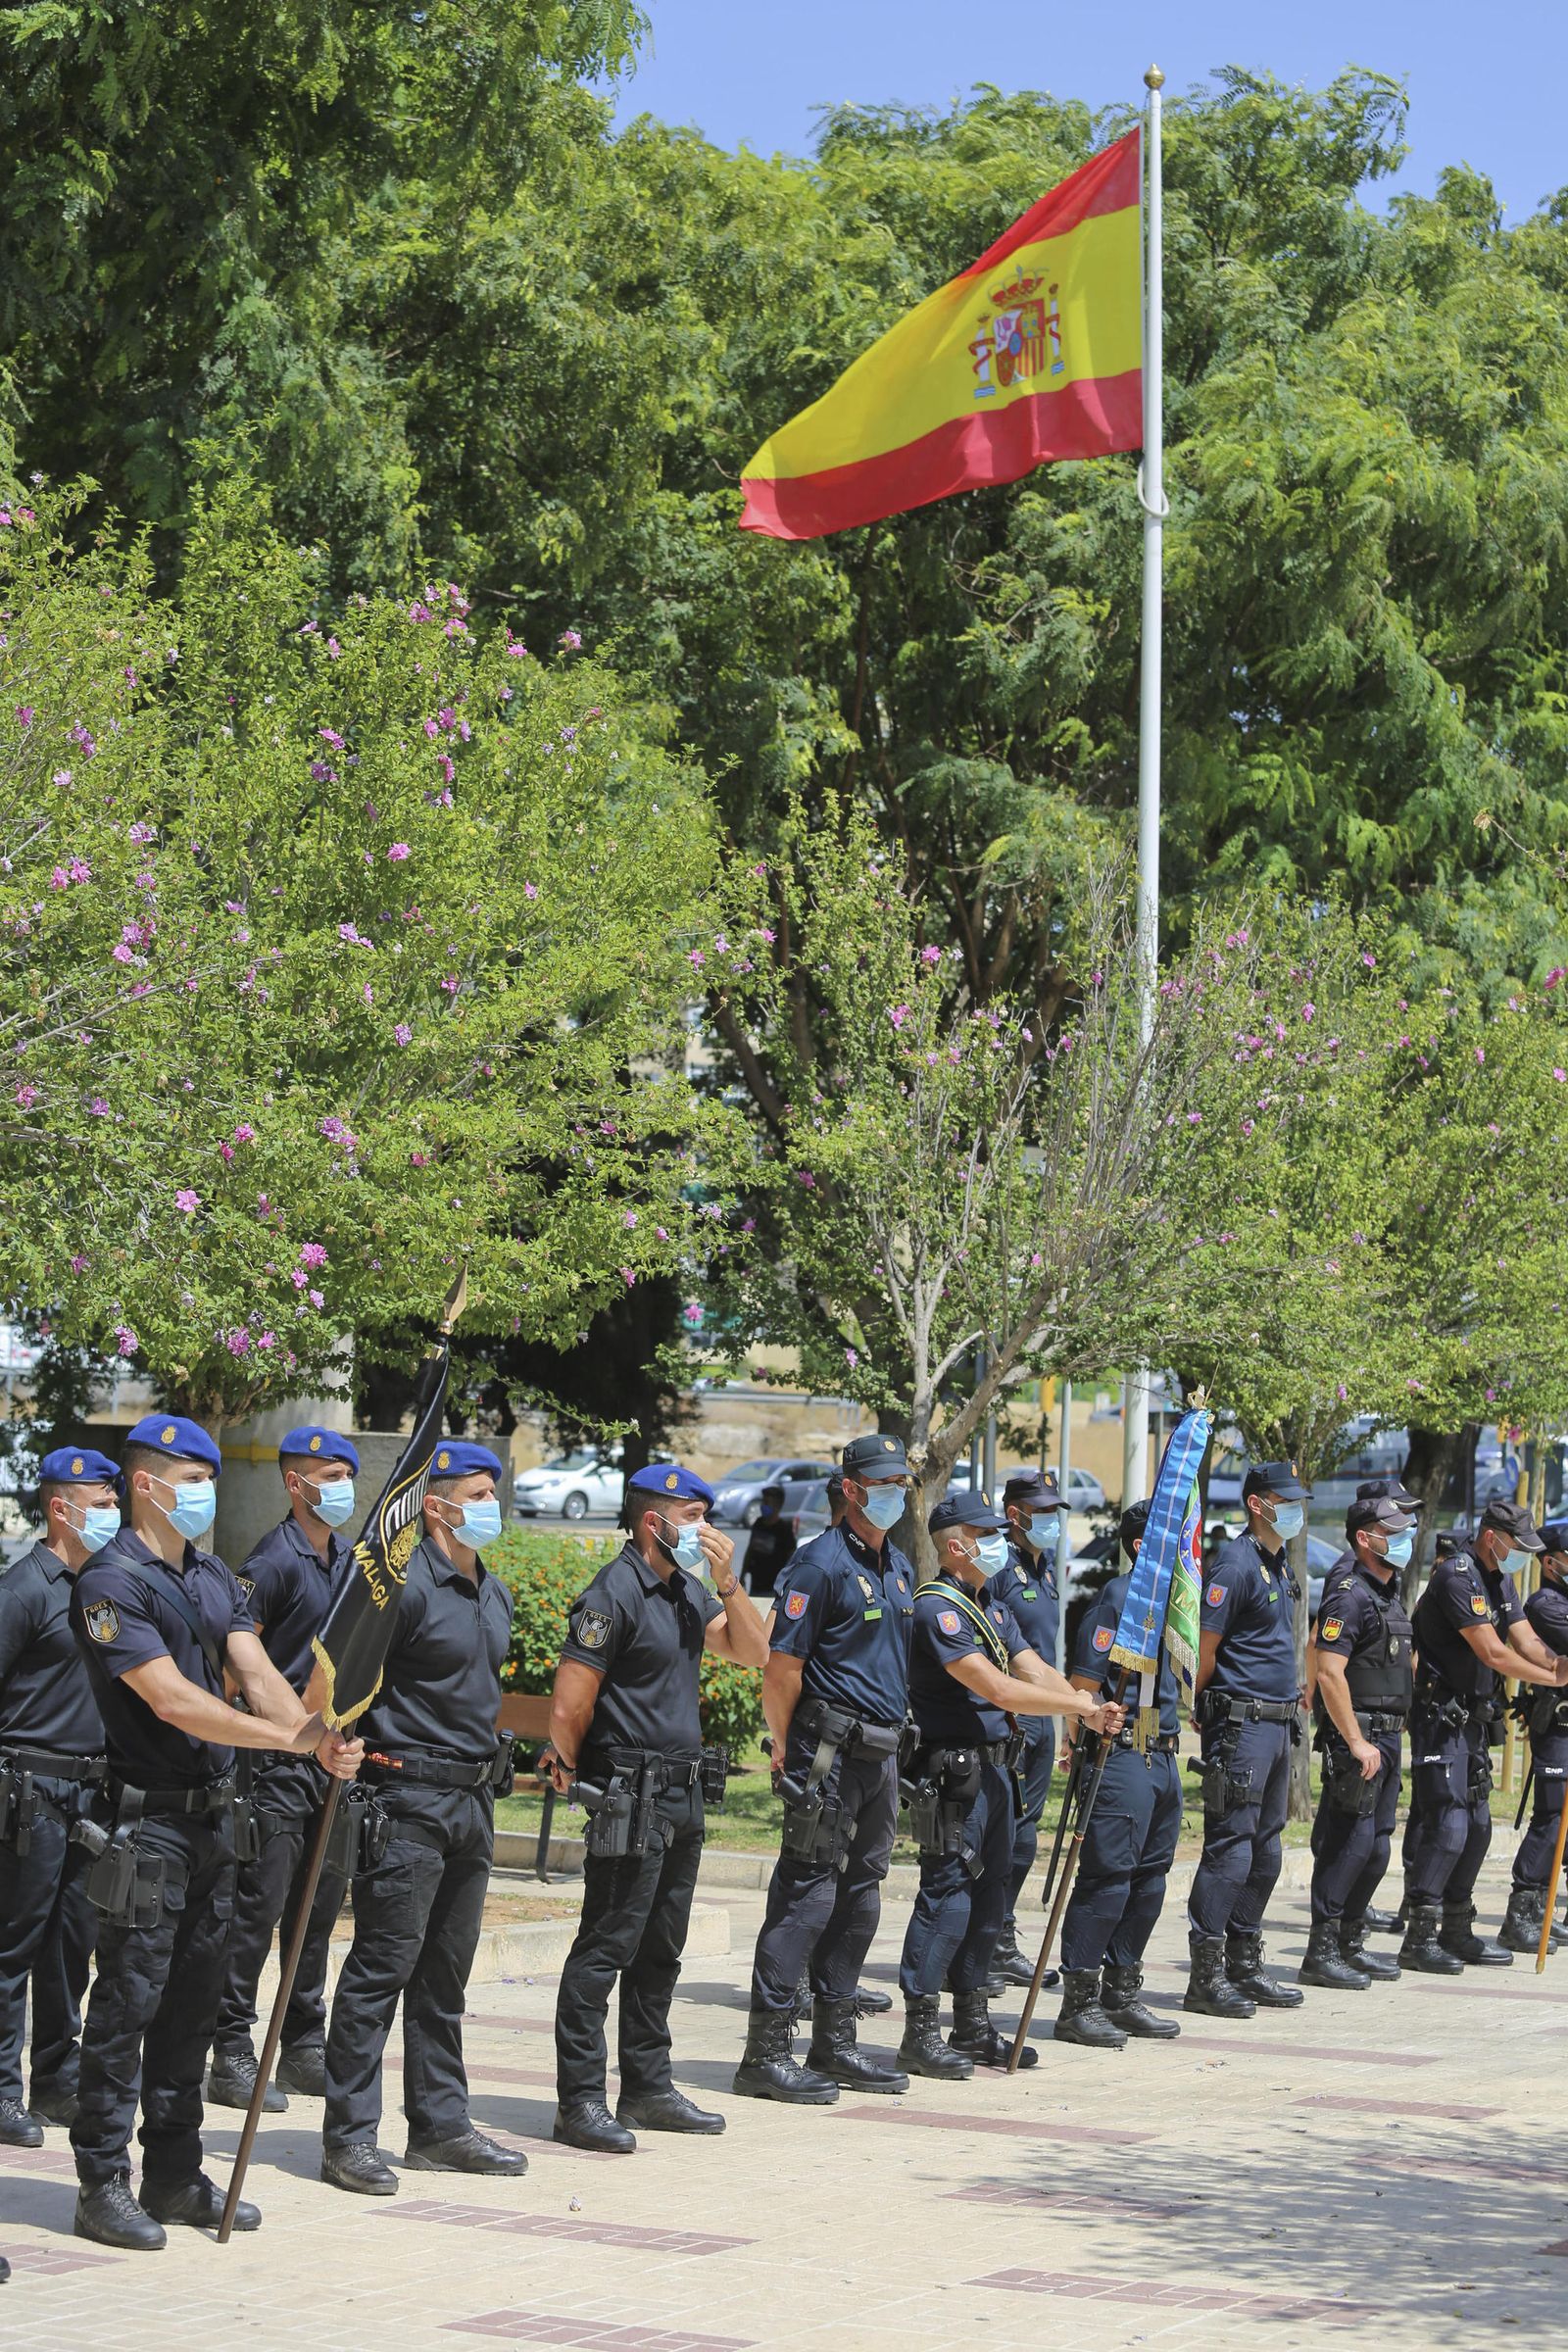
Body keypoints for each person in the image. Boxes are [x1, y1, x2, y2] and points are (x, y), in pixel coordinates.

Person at [69, 1413, 360, 2251]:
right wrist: (289, 1739)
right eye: (190, 1479)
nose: (204, 1492)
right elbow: (173, 1699)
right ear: (146, 1485)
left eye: (211, 1478)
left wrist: (318, 1733)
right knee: (127, 2005)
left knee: (192, 2012)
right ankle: (100, 2182)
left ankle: (171, 2174)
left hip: (213, 1824)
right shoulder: (110, 1582)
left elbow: (254, 1672)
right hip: (146, 1827)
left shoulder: (212, 1575)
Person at [548, 1461, 767, 2151]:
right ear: (654, 1522)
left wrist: (728, 1582)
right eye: (693, 1516)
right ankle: (580, 2102)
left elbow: (755, 1652)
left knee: (661, 1948)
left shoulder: (686, 1589)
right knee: (606, 1945)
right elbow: (569, 1704)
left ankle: (647, 2087)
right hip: (629, 1793)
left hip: (682, 1790)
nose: (705, 1529)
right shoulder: (612, 1592)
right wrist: (584, 1772)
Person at [321, 1441, 522, 2194]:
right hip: (404, 1798)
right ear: (432, 1505)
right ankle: (348, 2139)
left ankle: (440, 2127)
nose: (488, 1507)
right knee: (381, 1968)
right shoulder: (399, 1588)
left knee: (445, 1975)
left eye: (491, 1494)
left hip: (472, 1800)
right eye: (474, 1495)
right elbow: (341, 1685)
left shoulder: (492, 1591)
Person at [896, 1493, 1122, 2078]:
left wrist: (1086, 1704)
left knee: (990, 1901)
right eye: (986, 1533)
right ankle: (920, 2030)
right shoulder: (937, 1610)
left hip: (997, 1772)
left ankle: (972, 2025)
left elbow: (1030, 1666)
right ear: (955, 1545)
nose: (998, 1543)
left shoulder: (987, 1606)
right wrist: (1075, 1705)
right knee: (947, 1898)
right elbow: (999, 1689)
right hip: (953, 1776)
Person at [734, 1432, 917, 2106]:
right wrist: (784, 1747)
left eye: (902, 1481)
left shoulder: (896, 1564)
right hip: (827, 1754)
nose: (895, 1492)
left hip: (881, 1754)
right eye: (883, 1482)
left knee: (862, 1892)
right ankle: (764, 2053)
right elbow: (781, 1672)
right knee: (807, 1894)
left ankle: (833, 2042)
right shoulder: (820, 1566)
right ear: (850, 1488)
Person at [209, 1425, 360, 2114]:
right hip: (274, 1766)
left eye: (344, 1476)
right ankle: (232, 2048)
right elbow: (235, 1663)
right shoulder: (272, 1561)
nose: (339, 1489)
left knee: (316, 1912)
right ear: (294, 1485)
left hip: (332, 1760)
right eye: (326, 1477)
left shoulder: (350, 1561)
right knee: (257, 1909)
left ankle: (300, 2040)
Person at [0, 1447, 116, 2146]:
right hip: (29, 1793)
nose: (112, 1515)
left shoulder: (104, 1589)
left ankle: (55, 2080)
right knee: (13, 1944)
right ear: (61, 1509)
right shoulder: (23, 1590)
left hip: (91, 1794)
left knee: (73, 1944)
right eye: (99, 1505)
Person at [1400, 1499, 1568, 1974]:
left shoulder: (1501, 1577)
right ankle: (1419, 1936)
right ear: (1492, 1537)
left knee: (1477, 1827)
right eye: (1518, 1546)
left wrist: (1556, 1663)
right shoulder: (1458, 1575)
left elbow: (1524, 1639)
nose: (1522, 1556)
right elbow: (1493, 1652)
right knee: (1449, 1826)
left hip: (1473, 1718)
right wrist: (1553, 1680)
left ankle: (1457, 1928)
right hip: (1441, 1716)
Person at [1054, 1498, 1183, 2046]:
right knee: (1108, 1877)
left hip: (1162, 1749)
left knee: (1150, 1878)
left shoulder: (1179, 1605)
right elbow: (1085, 1686)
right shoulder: (1120, 1599)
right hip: (1122, 1751)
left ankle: (1122, 1989)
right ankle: (1079, 1999)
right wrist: (1081, 1741)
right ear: (1140, 1546)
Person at [1184, 1462, 1309, 2019]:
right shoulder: (1233, 1566)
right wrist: (1200, 1707)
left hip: (1279, 1723)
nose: (1295, 1510)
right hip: (1241, 1725)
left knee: (1266, 1850)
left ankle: (1244, 1959)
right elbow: (1205, 1651)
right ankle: (1206, 1975)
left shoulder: (1276, 1565)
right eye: (1286, 1500)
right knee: (1232, 1848)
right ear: (1258, 1504)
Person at [1299, 1497, 1414, 1990]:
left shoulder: (1389, 1591)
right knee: (1350, 1843)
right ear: (1365, 1538)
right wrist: (1355, 1739)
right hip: (1360, 1738)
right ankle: (1321, 1950)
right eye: (1393, 1531)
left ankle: (1350, 1939)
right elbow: (1328, 1671)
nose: (1403, 1539)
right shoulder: (1348, 1594)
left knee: (1377, 1848)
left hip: (1388, 1735)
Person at [983, 1469, 1066, 1992]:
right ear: (1015, 1516)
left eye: (1057, 1512)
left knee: (1026, 1835)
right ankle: (985, 1938)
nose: (1053, 1522)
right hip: (1009, 1715)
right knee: (1002, 1832)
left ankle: (1002, 1936)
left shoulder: (1046, 1567)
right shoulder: (999, 1570)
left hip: (1042, 1718)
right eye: (1043, 1513)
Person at [1501, 1519, 1568, 1953]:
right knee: (1551, 1817)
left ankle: (1544, 1905)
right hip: (1557, 1726)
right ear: (1551, 1563)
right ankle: (1520, 1912)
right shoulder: (1545, 1604)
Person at [742, 1486, 797, 1598]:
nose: (763, 1505)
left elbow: (791, 1557)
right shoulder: (758, 1523)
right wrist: (743, 1574)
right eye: (763, 1501)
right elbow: (750, 1549)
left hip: (774, 1587)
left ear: (778, 1505)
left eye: (767, 1502)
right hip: (756, 1584)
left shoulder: (784, 1529)